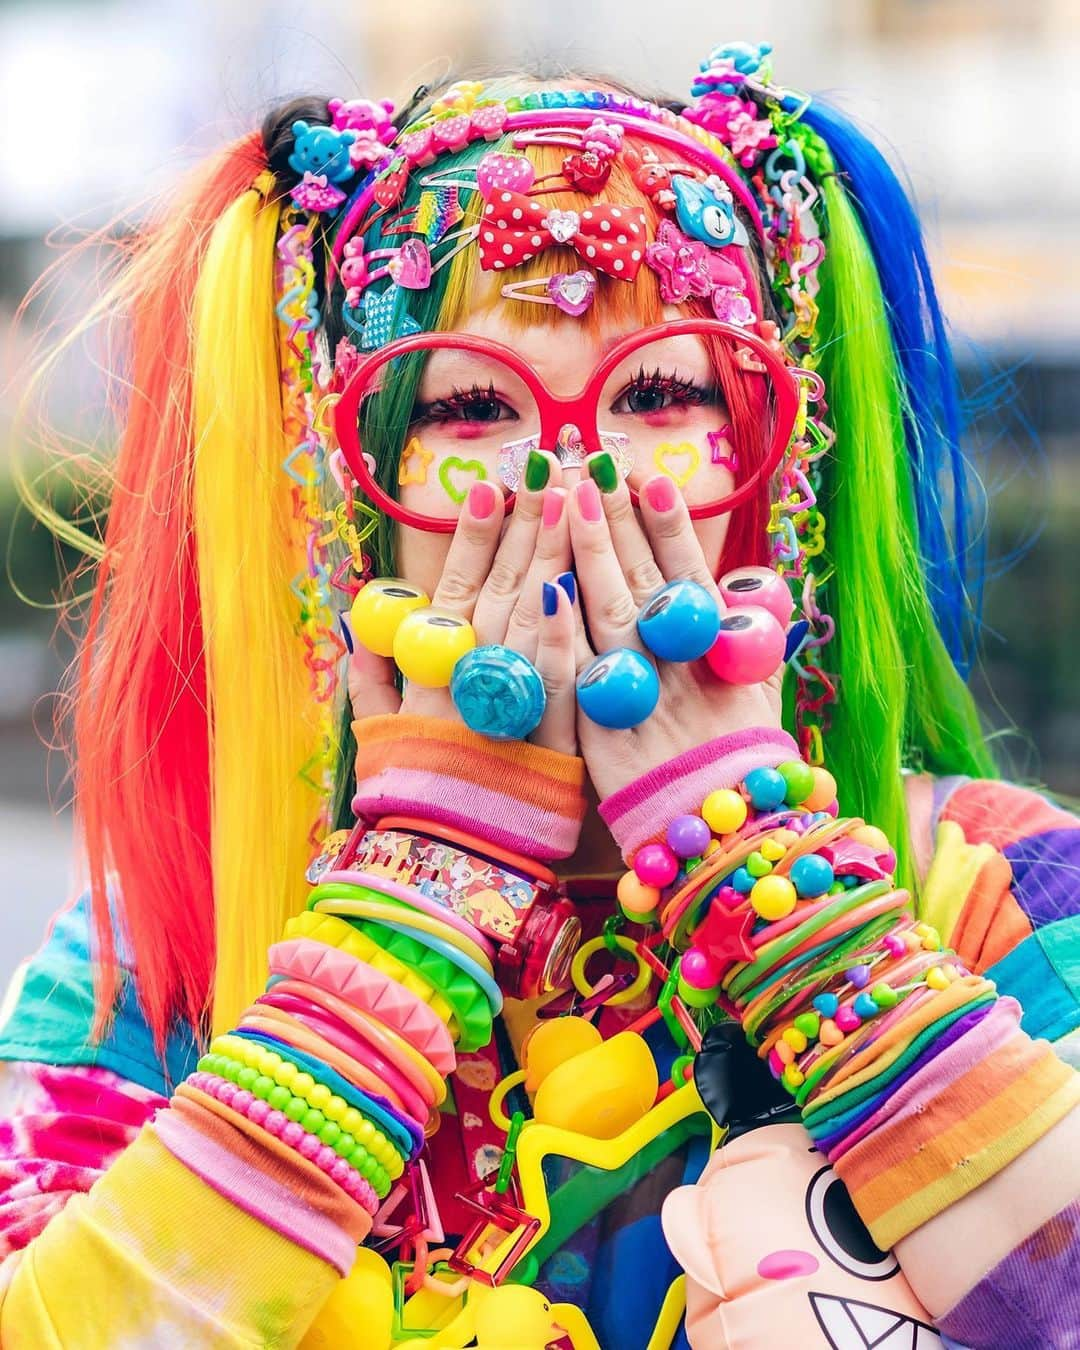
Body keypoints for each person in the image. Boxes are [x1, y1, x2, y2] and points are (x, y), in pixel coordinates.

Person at [1, 41, 1078, 1349]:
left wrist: (768, 874)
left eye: (662, 391)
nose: (575, 476)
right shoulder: (161, 948)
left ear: (765, 473)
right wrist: (410, 905)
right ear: (353, 505)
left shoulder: (995, 885)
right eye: (474, 405)